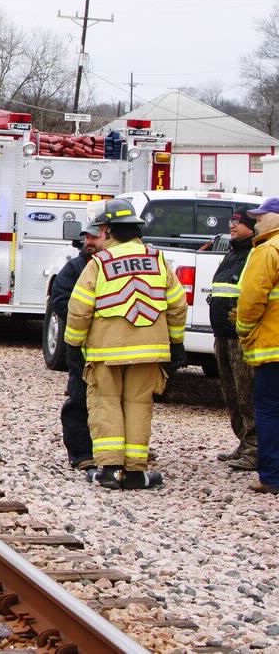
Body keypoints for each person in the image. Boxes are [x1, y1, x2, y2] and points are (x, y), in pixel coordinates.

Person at [65, 198, 188, 489]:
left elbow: (79, 308)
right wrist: (176, 343)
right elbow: (177, 305)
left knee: (105, 404)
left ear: (107, 230)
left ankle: (108, 471)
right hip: (150, 350)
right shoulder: (158, 260)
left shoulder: (100, 263)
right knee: (138, 405)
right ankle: (135, 472)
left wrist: (73, 345)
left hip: (107, 350)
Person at [235, 197, 279, 494]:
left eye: (262, 216)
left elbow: (251, 299)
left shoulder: (268, 251)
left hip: (273, 348)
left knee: (269, 411)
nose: (257, 221)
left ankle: (272, 477)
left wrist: (243, 331)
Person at [53, 221, 104, 473]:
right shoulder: (74, 268)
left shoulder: (113, 266)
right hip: (82, 347)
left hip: (111, 348)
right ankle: (82, 453)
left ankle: (112, 452)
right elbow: (61, 301)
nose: (89, 243)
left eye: (94, 238)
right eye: (87, 238)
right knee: (80, 399)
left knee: (113, 402)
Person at [210, 207, 258, 470]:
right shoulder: (232, 253)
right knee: (230, 393)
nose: (232, 226)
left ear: (251, 227)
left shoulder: (254, 254)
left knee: (246, 393)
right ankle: (243, 442)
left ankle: (254, 448)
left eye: (237, 223)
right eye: (231, 222)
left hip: (241, 337)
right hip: (222, 334)